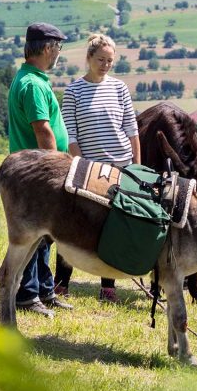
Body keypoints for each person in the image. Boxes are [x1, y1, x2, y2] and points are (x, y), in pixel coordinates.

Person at [55, 33, 140, 303]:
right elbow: (71, 136)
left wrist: (136, 167)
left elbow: (132, 130)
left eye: (110, 61)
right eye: (101, 59)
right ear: (89, 58)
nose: (105, 65)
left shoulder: (119, 88)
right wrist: (82, 166)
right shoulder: (74, 91)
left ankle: (108, 287)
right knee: (73, 225)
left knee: (114, 228)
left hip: (121, 165)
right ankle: (61, 283)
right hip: (89, 168)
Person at [6, 22, 75, 318]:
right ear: (47, 48)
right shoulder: (33, 85)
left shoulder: (32, 78)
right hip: (39, 171)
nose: (59, 52)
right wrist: (57, 166)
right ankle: (27, 294)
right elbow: (42, 130)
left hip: (35, 169)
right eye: (58, 46)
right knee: (34, 235)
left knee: (45, 233)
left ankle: (45, 290)